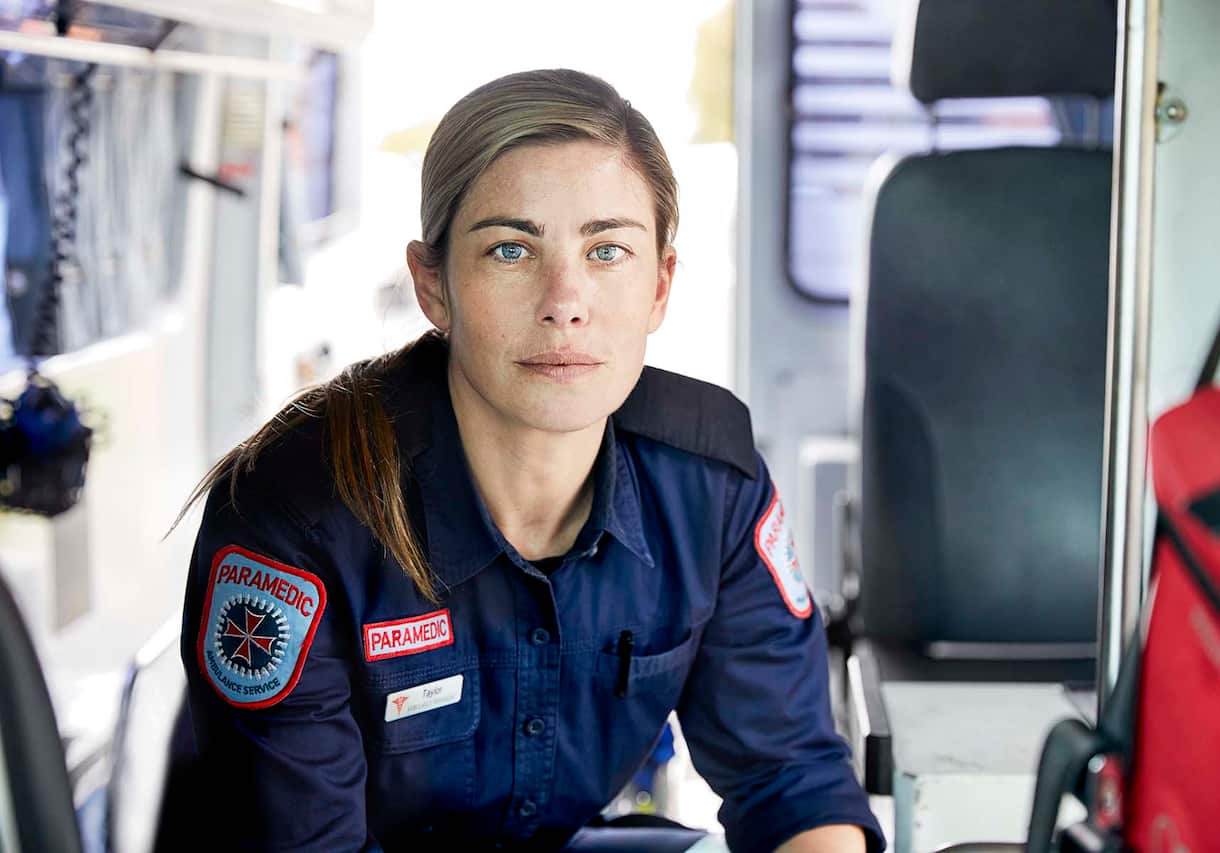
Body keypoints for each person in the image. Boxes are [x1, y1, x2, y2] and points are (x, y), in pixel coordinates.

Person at [177, 68, 885, 853]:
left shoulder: (710, 483)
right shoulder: (295, 514)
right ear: (433, 286)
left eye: (607, 249)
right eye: (511, 249)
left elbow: (791, 780)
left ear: (660, 286)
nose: (565, 299)